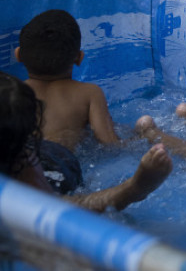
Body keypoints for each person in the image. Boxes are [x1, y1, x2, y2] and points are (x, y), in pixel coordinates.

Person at [0, 71, 172, 212]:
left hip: (56, 157)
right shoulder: (25, 162)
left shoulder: (25, 159)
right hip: (61, 163)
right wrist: (136, 186)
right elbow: (55, 208)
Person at [16, 9, 121, 193]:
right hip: (59, 167)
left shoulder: (12, 92)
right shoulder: (90, 93)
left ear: (18, 55)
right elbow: (110, 145)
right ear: (79, 58)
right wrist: (143, 136)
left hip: (20, 166)